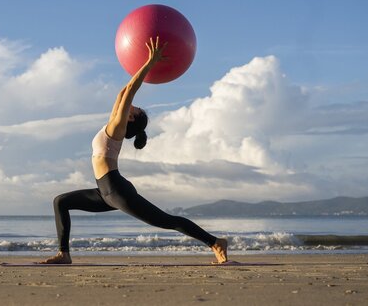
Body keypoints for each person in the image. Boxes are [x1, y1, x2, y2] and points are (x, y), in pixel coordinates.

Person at [40, 37, 228, 264]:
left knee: (166, 221)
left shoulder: (117, 128)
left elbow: (130, 89)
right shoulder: (113, 123)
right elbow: (122, 94)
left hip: (118, 191)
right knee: (60, 201)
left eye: (135, 107)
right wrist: (138, 63)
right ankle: (64, 254)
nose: (131, 104)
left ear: (131, 117)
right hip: (104, 192)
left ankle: (215, 242)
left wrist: (150, 63)